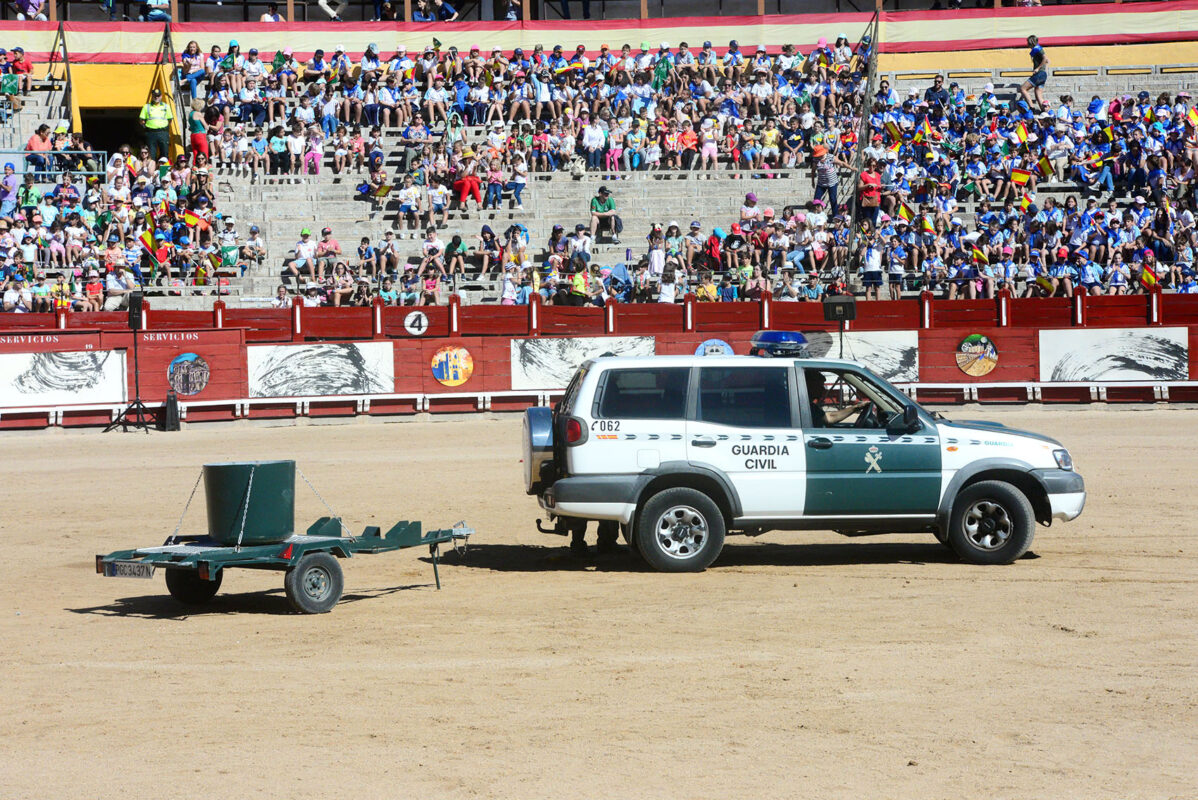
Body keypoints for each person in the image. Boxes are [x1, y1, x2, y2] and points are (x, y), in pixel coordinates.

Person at [139, 88, 174, 164]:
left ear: (161, 96)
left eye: (158, 96)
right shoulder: (146, 107)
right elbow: (141, 120)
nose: (156, 97)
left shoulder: (166, 106)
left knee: (164, 153)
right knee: (152, 154)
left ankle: (164, 173)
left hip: (163, 132)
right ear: (152, 96)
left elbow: (170, 119)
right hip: (151, 133)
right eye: (155, 96)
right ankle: (152, 172)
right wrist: (146, 127)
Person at [1020, 35, 1049, 113]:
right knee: (1038, 94)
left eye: (1028, 42)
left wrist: (1038, 68)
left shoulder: (1038, 49)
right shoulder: (1036, 50)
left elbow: (1045, 58)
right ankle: (1045, 112)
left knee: (1023, 88)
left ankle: (1032, 108)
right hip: (1043, 74)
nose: (1027, 44)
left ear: (1031, 42)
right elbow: (1047, 61)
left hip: (1039, 74)